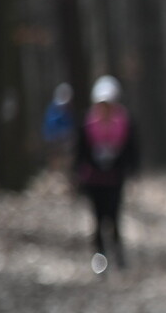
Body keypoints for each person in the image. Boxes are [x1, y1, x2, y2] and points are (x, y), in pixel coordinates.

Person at [74, 75, 139, 268]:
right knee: (98, 219)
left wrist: (131, 169)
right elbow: (81, 152)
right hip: (93, 179)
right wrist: (77, 176)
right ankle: (100, 259)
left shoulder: (125, 123)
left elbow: (132, 150)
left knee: (114, 218)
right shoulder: (87, 124)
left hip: (115, 179)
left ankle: (119, 256)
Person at [41, 82, 76, 171]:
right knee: (55, 155)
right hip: (54, 140)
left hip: (66, 141)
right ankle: (55, 171)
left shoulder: (69, 111)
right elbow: (49, 127)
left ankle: (65, 170)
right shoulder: (52, 110)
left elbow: (71, 126)